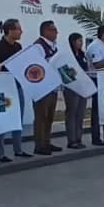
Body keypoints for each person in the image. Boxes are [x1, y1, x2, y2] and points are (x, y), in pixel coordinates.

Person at [0, 19, 32, 162]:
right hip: (3, 89)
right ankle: (0, 153)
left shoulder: (18, 47)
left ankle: (18, 149)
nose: (21, 32)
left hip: (17, 87)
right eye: (18, 29)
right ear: (10, 30)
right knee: (1, 120)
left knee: (17, 119)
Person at [32, 20, 61, 156]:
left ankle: (47, 141)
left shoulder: (53, 46)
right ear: (46, 31)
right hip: (42, 87)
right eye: (54, 30)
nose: (56, 33)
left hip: (52, 86)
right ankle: (39, 144)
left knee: (49, 116)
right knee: (41, 116)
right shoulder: (39, 46)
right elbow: (38, 65)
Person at [64, 32, 89, 149]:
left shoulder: (82, 54)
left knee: (80, 114)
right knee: (72, 113)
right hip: (72, 87)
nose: (81, 43)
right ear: (73, 42)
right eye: (79, 40)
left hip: (82, 87)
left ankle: (79, 138)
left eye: (82, 40)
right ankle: (71, 140)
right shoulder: (68, 55)